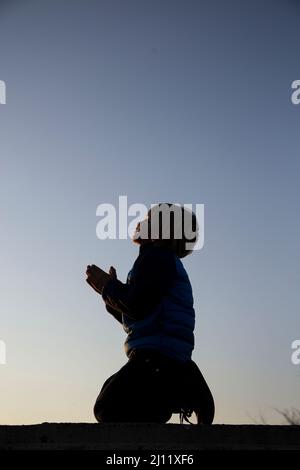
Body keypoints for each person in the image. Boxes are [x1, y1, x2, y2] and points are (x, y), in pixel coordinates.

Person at [86, 203, 214, 424]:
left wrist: (108, 287)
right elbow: (142, 315)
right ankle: (181, 381)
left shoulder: (156, 258)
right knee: (109, 388)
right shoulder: (160, 261)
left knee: (107, 407)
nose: (140, 222)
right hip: (161, 353)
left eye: (148, 219)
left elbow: (137, 305)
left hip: (155, 357)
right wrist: (110, 295)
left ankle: (175, 389)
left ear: (162, 231)